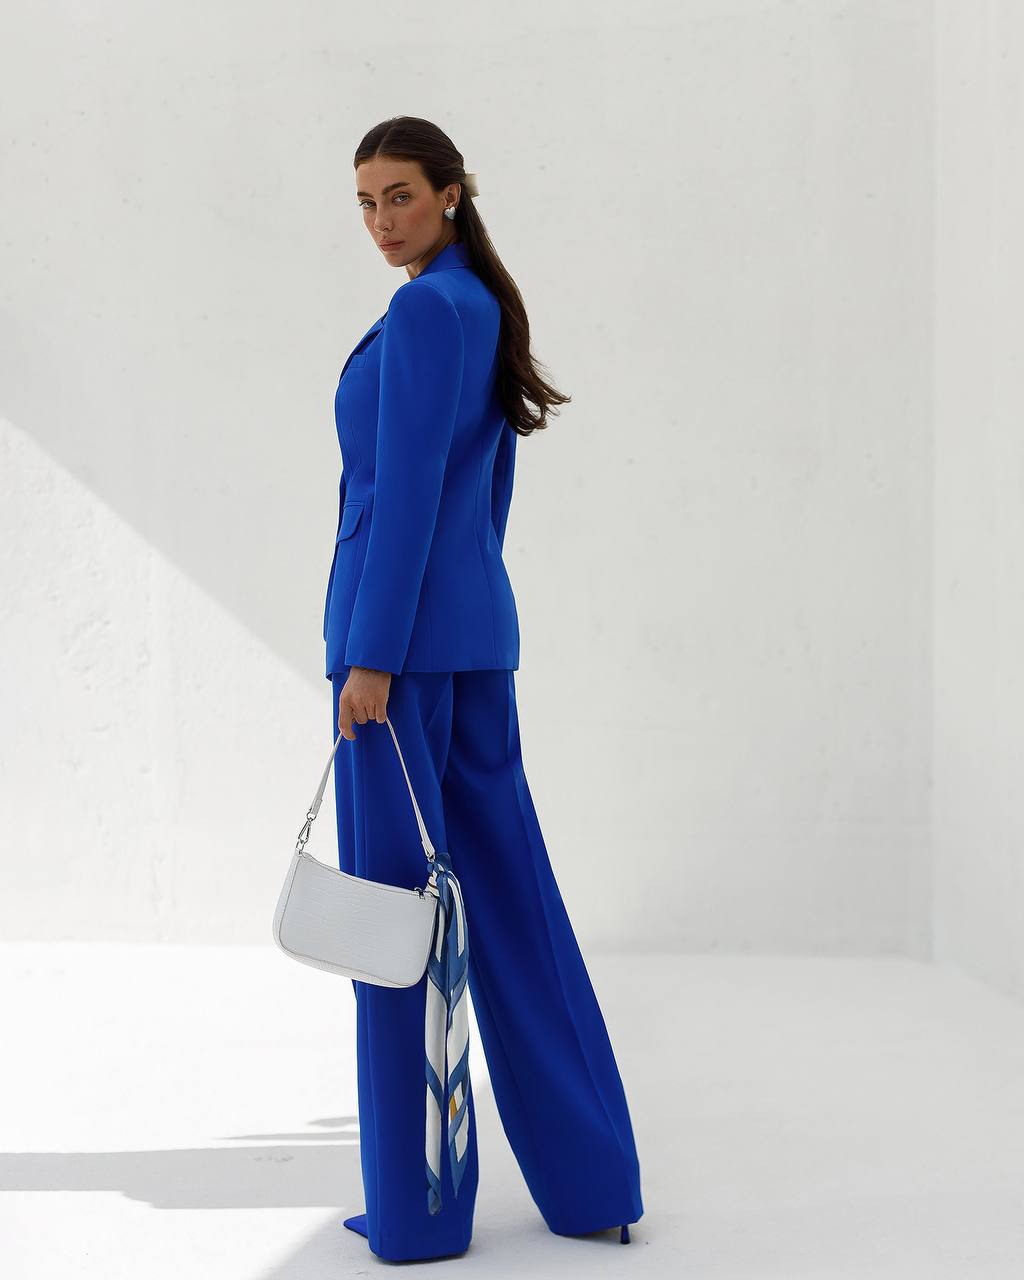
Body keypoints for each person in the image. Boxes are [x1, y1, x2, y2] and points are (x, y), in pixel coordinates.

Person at [322, 115, 643, 1263]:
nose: (379, 221)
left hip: (395, 663)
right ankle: (592, 1178)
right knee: (508, 903)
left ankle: (413, 1213)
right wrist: (449, 627)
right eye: (364, 201)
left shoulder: (426, 311)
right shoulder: (480, 307)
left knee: (397, 928)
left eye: (399, 196)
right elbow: (479, 506)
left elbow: (405, 495)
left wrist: (372, 653)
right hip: (466, 643)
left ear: (454, 193)